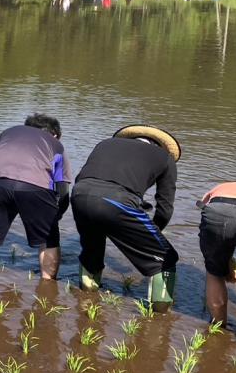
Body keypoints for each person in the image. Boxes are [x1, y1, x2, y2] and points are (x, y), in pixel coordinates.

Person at [71, 125, 180, 310]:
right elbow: (165, 208)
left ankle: (87, 299)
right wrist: (153, 233)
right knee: (166, 258)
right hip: (117, 201)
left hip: (80, 194)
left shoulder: (105, 144)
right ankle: (160, 315)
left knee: (92, 249)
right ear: (160, 145)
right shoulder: (165, 158)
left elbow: (87, 176)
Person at [0, 114, 71, 281]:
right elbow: (63, 189)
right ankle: (48, 286)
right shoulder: (55, 144)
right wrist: (57, 215)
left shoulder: (8, 132)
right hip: (35, 186)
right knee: (49, 238)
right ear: (55, 134)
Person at [198, 183, 236, 324]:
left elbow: (203, 203)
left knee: (214, 272)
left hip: (217, 211)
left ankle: (219, 328)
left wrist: (224, 264)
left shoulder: (223, 186)